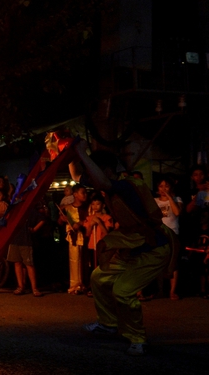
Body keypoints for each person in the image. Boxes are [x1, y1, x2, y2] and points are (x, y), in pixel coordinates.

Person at [70, 141, 176, 356]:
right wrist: (70, 152)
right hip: (132, 244)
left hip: (153, 248)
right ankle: (108, 324)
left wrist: (82, 152)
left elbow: (101, 182)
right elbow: (75, 177)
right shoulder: (110, 182)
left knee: (123, 291)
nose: (89, 181)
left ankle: (138, 338)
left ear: (106, 170)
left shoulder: (127, 185)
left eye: (92, 173)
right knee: (98, 277)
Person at [154, 177, 182, 300]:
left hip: (173, 233)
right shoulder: (154, 201)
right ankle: (160, 290)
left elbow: (177, 212)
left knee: (173, 263)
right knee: (158, 262)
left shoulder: (177, 199)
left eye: (166, 186)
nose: (163, 189)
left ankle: (172, 291)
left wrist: (170, 198)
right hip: (159, 234)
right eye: (161, 186)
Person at [7, 207, 45, 297]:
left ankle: (34, 288)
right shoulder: (13, 210)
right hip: (14, 240)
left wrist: (34, 229)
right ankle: (20, 286)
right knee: (17, 263)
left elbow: (42, 219)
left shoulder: (30, 210)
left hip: (26, 240)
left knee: (29, 264)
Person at [58, 184, 89, 295]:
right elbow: (60, 222)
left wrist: (80, 223)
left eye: (85, 192)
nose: (85, 195)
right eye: (83, 193)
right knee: (74, 260)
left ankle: (85, 284)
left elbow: (90, 219)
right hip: (73, 238)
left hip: (86, 237)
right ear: (75, 194)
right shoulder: (67, 208)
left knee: (85, 261)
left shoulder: (88, 207)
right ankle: (74, 285)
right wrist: (62, 219)